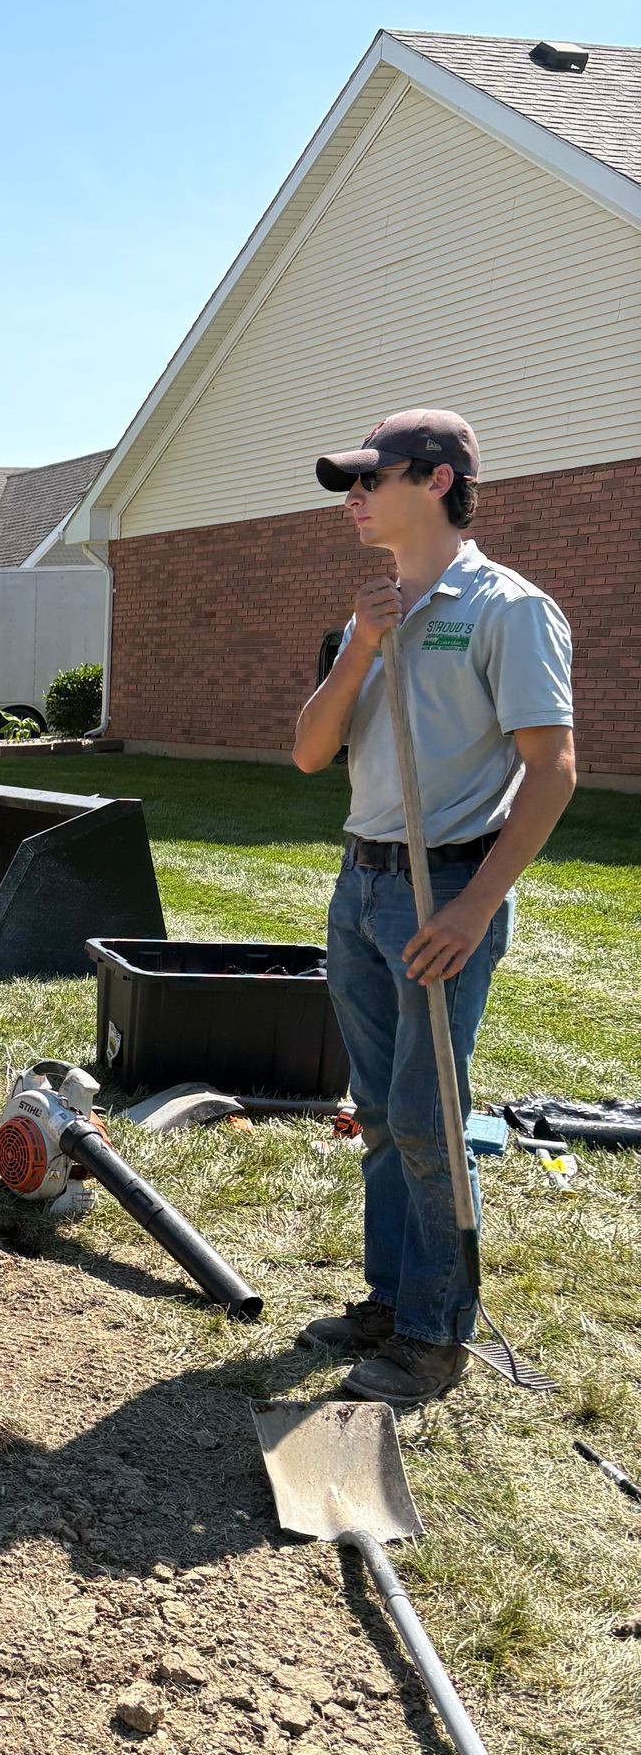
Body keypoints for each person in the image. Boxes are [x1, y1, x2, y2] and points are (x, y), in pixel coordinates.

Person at [290, 410, 575, 1407]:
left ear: (442, 479)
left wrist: (475, 907)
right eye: (350, 484)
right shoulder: (367, 611)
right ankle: (389, 1300)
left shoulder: (508, 610)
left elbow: (553, 771)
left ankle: (434, 1333)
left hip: (443, 885)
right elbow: (309, 751)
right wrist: (362, 644)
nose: (356, 498)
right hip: (361, 882)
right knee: (375, 1112)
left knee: (427, 1114)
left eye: (374, 478)